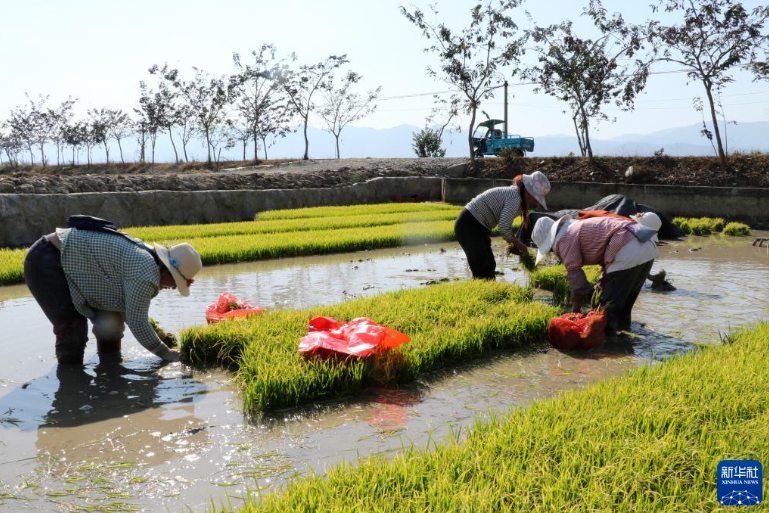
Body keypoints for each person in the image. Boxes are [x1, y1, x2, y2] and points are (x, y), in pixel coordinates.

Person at [23, 225, 202, 365]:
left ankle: (109, 369)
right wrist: (166, 353)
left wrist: (158, 335)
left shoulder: (149, 261)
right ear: (168, 272)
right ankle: (72, 385)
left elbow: (128, 310)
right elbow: (137, 320)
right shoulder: (145, 272)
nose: (173, 288)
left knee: (113, 323)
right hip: (47, 260)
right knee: (73, 330)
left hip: (81, 267)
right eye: (176, 283)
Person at [531, 214, 659, 335]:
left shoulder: (564, 239)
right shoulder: (575, 226)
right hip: (648, 248)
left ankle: (607, 351)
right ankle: (626, 343)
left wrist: (576, 311)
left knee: (607, 315)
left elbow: (576, 277)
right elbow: (604, 248)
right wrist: (602, 280)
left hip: (627, 249)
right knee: (624, 308)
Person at [454, 171, 551, 279]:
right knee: (482, 266)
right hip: (469, 225)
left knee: (489, 264)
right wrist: (520, 245)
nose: (536, 203)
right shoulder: (515, 198)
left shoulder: (517, 195)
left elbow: (505, 226)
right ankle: (483, 293)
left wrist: (513, 244)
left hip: (478, 227)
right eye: (536, 198)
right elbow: (504, 227)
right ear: (529, 192)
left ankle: (488, 290)